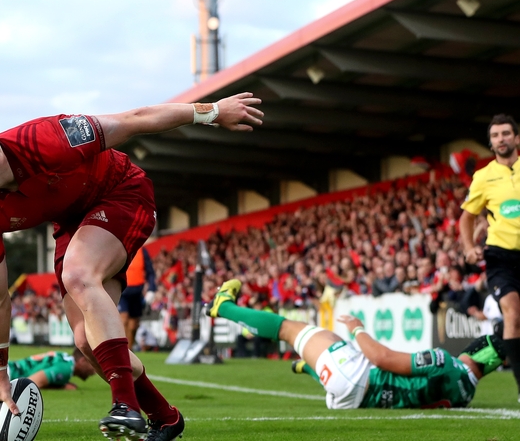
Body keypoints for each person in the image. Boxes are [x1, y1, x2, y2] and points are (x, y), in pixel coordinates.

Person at [0, 93, 263, 440]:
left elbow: (135, 118)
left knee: (78, 275)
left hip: (123, 192)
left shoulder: (47, 139)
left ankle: (124, 406)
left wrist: (213, 112)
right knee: (86, 340)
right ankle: (165, 418)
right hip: (72, 224)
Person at [207, 279, 507, 409]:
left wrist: (358, 328)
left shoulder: (447, 362)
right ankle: (308, 366)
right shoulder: (466, 396)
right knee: (330, 341)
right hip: (359, 399)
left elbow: (382, 357)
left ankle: (223, 307)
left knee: (290, 329)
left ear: (477, 350)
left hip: (359, 378)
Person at [459, 113, 520, 403]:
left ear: (516, 138)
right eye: (496, 135)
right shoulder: (483, 177)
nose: (501, 139)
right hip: (500, 255)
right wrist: (469, 247)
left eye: (506, 133)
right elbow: (466, 218)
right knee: (512, 311)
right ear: (491, 142)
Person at [119, 247, 156, 350]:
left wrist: (152, 289)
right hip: (122, 291)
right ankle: (123, 351)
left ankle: (129, 349)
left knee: (133, 325)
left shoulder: (142, 251)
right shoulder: (118, 245)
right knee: (124, 319)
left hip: (137, 292)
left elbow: (150, 272)